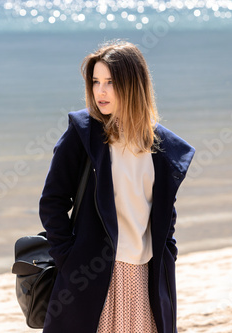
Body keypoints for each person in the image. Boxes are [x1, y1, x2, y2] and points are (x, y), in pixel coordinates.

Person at [39, 40, 195, 333]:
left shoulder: (160, 145)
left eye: (110, 82)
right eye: (96, 81)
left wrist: (167, 254)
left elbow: (164, 211)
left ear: (132, 84)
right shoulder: (82, 134)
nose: (100, 91)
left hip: (145, 273)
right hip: (91, 274)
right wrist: (67, 258)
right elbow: (53, 201)